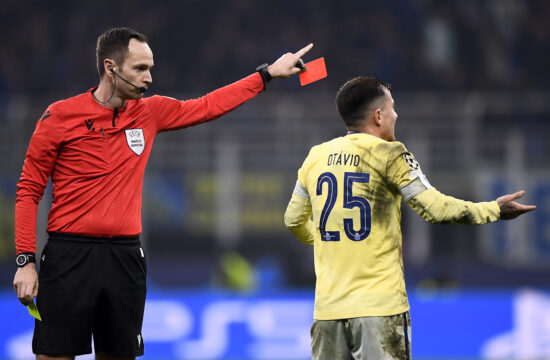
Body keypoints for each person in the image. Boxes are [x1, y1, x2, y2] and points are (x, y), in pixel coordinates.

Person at [12, 27, 313, 360]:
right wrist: (25, 261)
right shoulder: (59, 116)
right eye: (140, 69)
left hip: (124, 259)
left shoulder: (150, 112)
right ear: (110, 68)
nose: (149, 78)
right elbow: (28, 190)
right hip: (68, 256)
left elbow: (209, 105)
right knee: (53, 355)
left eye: (150, 68)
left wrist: (267, 74)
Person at [283, 76, 536, 360]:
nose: (396, 114)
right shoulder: (390, 154)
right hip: (379, 310)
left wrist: (328, 242)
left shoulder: (315, 157)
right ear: (378, 116)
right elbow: (436, 208)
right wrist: (493, 210)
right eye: (392, 107)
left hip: (327, 313)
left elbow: (293, 219)